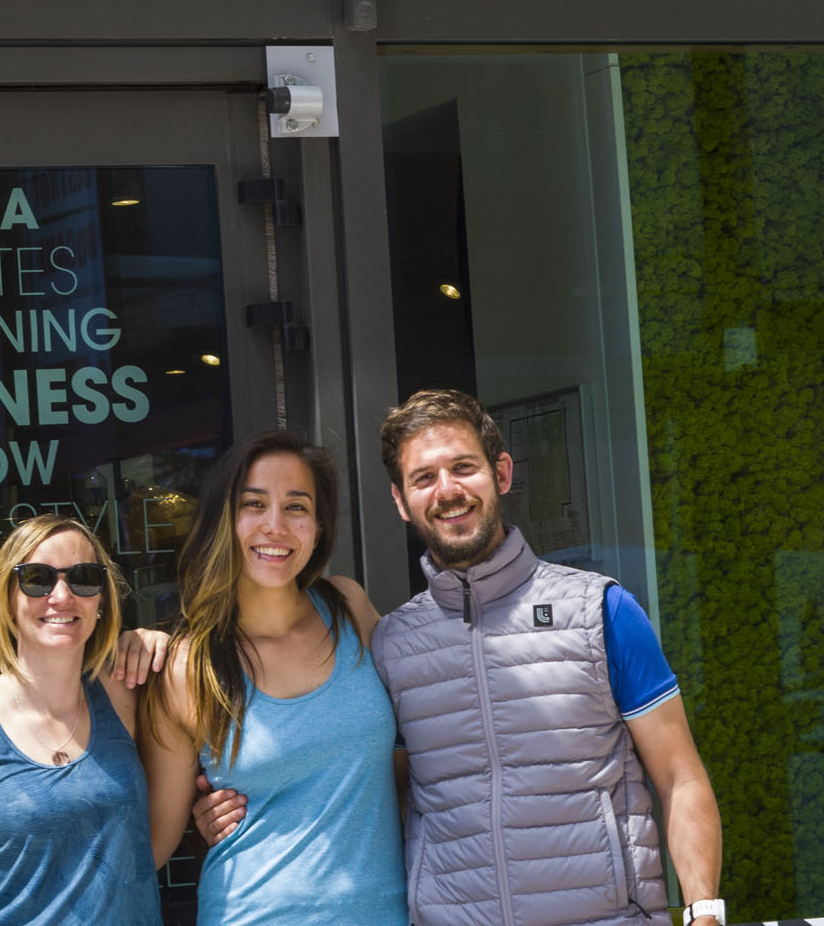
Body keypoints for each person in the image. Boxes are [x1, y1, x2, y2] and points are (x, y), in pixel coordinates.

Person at [202, 391, 724, 926]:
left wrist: (703, 912)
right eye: (424, 478)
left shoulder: (602, 611)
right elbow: (362, 782)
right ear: (401, 501)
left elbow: (680, 777)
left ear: (502, 473)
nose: (447, 490)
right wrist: (231, 797)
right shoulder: (393, 642)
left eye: (463, 468)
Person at [139, 430, 407, 926]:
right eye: (254, 504)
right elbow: (153, 843)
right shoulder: (186, 666)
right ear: (224, 519)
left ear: (319, 526)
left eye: (296, 507)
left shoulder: (349, 607)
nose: (275, 526)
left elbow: (408, 752)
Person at [0, 515, 162, 926]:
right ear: (7, 598)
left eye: (83, 578)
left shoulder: (126, 693)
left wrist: (161, 643)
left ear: (102, 600)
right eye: (37, 579)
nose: (62, 596)